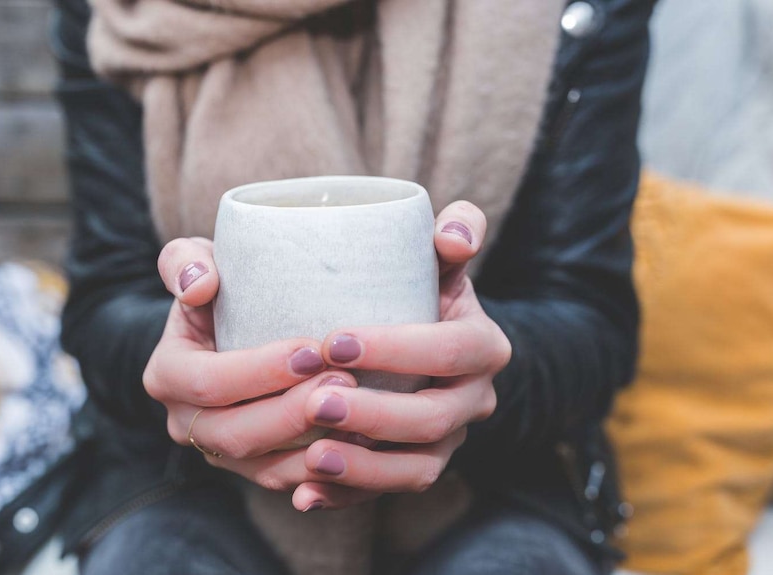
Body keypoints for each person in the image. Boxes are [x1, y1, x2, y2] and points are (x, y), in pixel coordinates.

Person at [49, 0, 655, 573]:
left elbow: (594, 327)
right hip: (180, 481)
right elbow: (104, 304)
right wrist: (191, 357)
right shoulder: (126, 12)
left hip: (497, 483)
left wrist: (468, 369)